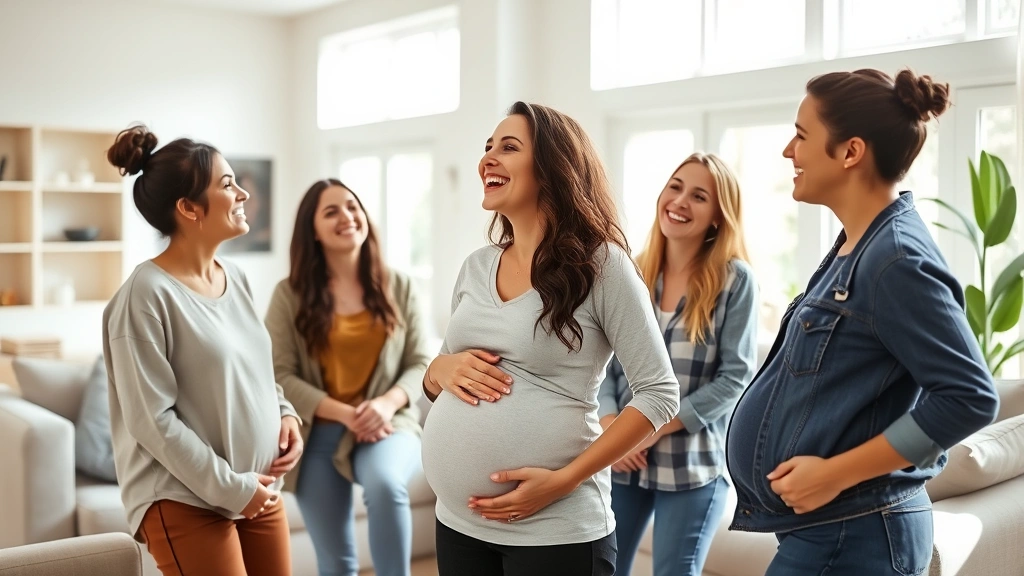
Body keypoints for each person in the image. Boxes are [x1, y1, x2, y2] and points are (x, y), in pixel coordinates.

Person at [725, 69, 1000, 575]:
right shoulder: (857, 247)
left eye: (802, 135)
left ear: (850, 152)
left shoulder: (895, 260)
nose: (790, 151)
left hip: (858, 532)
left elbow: (970, 397)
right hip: (832, 531)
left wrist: (833, 474)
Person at [420, 101, 681, 576]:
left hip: (556, 529)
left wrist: (562, 481)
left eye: (509, 147)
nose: (488, 159)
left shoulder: (603, 267)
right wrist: (436, 371)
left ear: (552, 170)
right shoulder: (477, 266)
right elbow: (444, 370)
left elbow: (660, 393)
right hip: (458, 523)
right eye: (487, 148)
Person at [103, 124, 302, 576]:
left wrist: (286, 414)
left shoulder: (236, 277)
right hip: (184, 499)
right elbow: (151, 421)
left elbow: (256, 373)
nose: (243, 194)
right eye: (227, 184)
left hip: (257, 486)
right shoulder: (144, 296)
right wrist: (233, 489)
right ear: (189, 208)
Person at [598, 152, 758, 576]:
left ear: (719, 216)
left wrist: (647, 428)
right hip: (621, 457)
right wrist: (613, 425)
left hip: (692, 463)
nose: (681, 201)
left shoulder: (735, 281)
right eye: (675, 187)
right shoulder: (629, 271)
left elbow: (736, 377)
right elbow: (604, 362)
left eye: (699, 195)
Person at [265, 179, 431, 576]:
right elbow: (279, 374)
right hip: (319, 432)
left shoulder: (399, 285)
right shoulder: (289, 295)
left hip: (388, 426)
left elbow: (422, 361)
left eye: (352, 206)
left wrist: (386, 404)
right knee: (337, 565)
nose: (347, 217)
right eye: (331, 211)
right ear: (313, 231)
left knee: (386, 485)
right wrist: (346, 414)